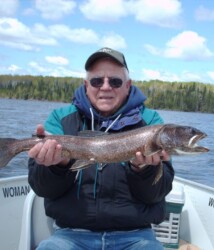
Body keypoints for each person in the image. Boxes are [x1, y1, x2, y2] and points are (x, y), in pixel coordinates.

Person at [28, 47, 175, 250]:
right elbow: (42, 188)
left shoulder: (151, 124)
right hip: (69, 235)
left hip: (137, 237)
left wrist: (145, 171)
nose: (106, 87)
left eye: (115, 81)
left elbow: (156, 195)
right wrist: (57, 166)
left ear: (128, 86)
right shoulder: (60, 119)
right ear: (86, 85)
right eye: (97, 81)